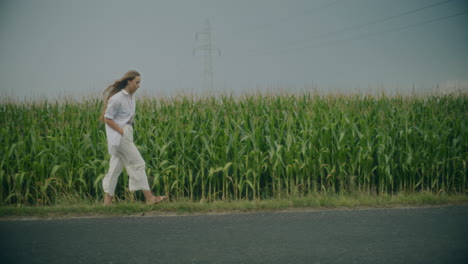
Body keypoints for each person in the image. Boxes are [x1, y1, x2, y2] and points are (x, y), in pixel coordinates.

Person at [100, 70, 166, 205]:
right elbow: (107, 118)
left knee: (114, 170)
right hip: (121, 136)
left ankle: (107, 203)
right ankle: (150, 198)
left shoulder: (131, 97)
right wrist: (121, 131)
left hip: (125, 133)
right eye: (137, 82)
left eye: (139, 83)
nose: (139, 86)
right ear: (129, 82)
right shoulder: (117, 98)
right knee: (138, 163)